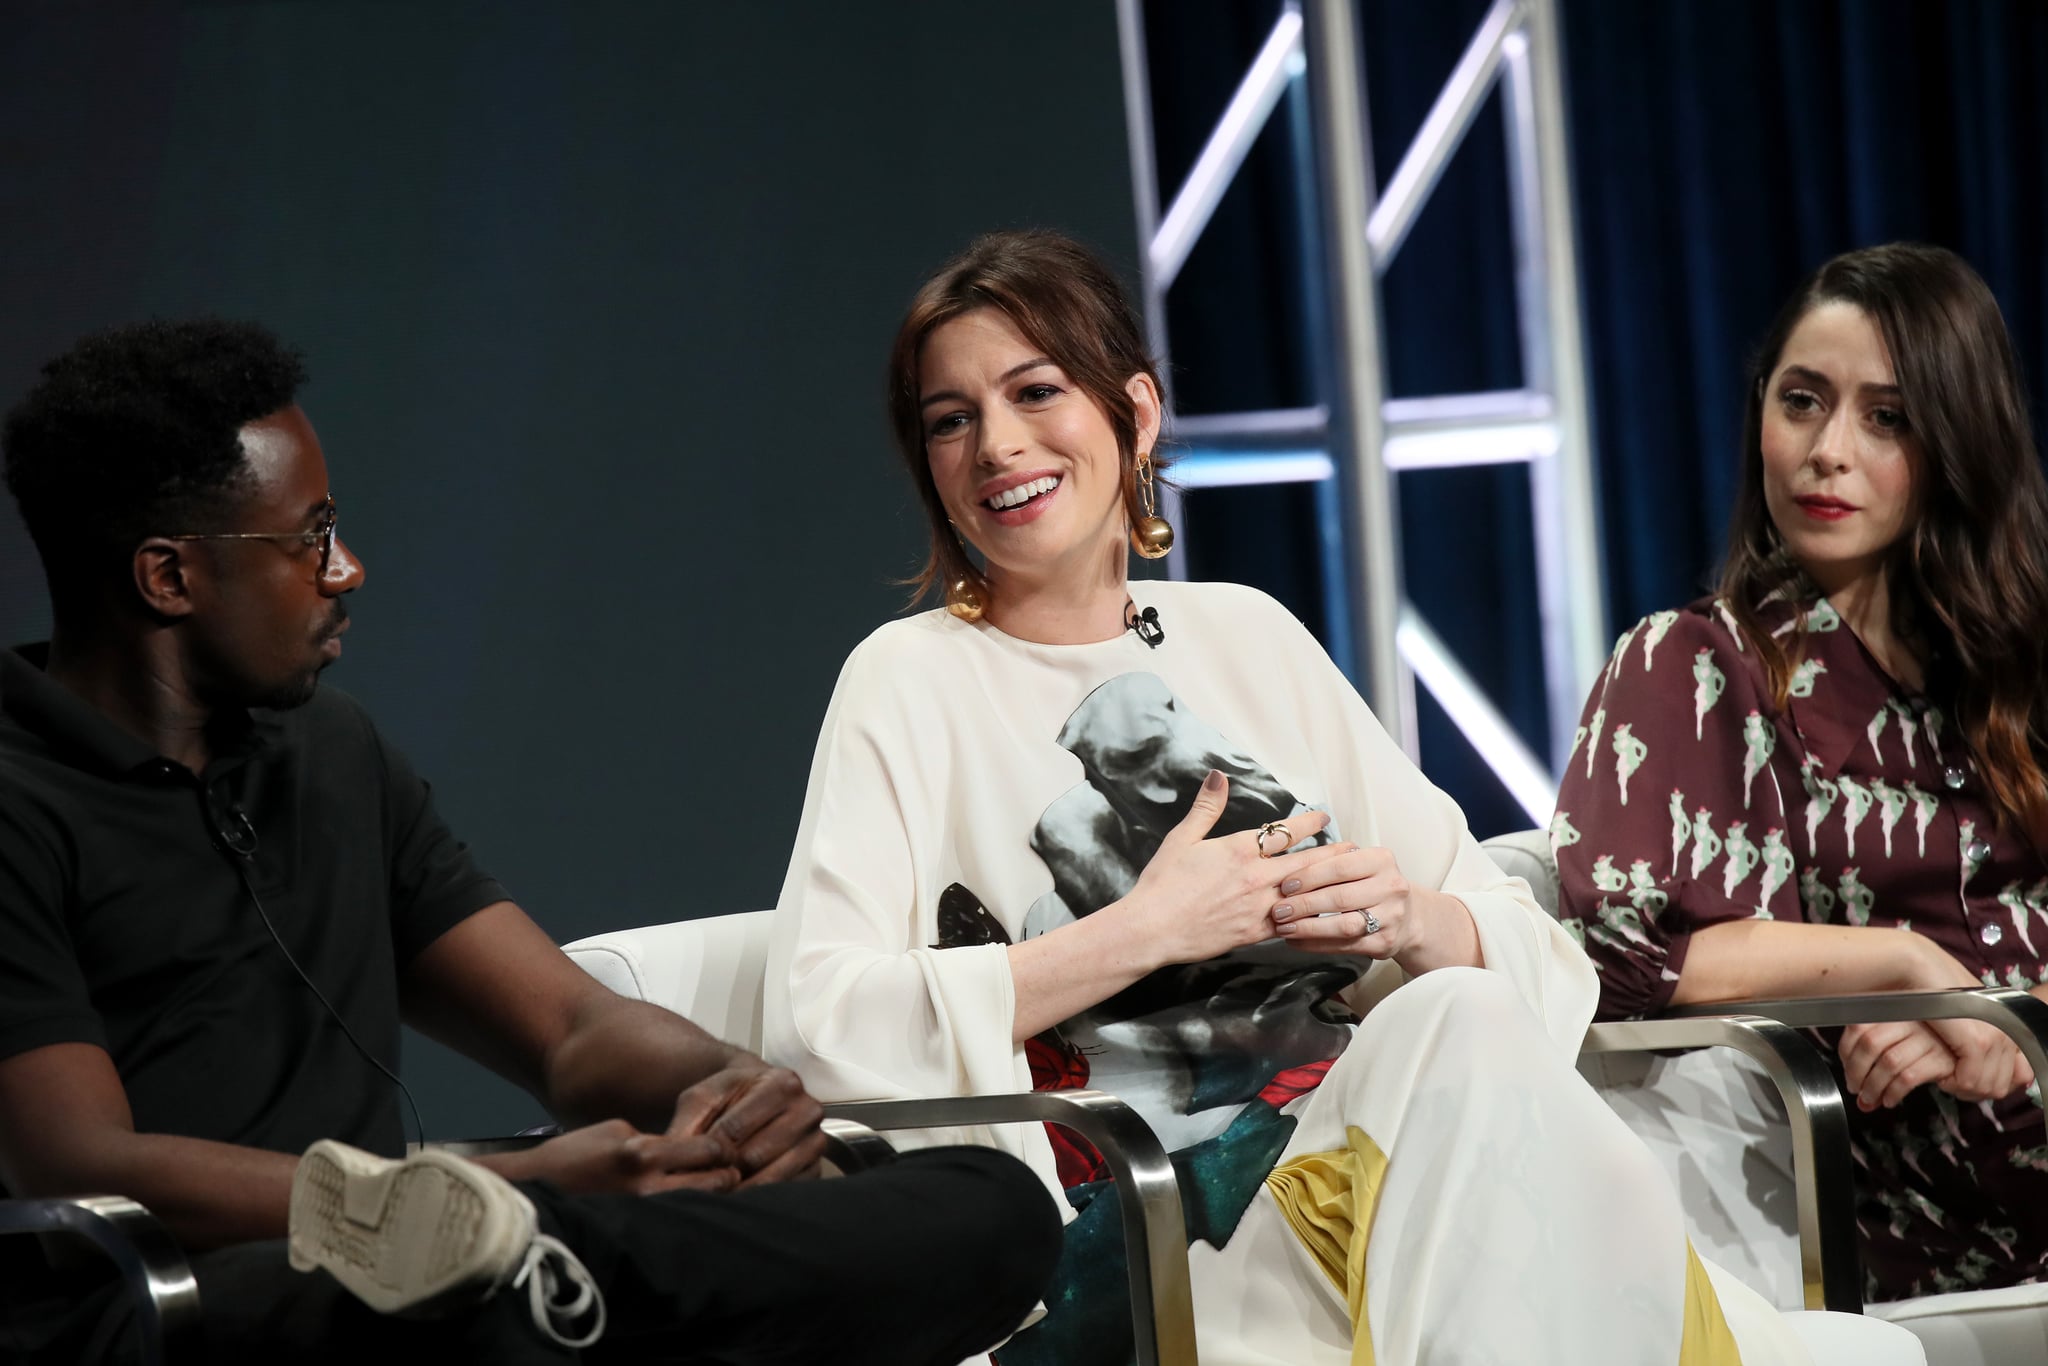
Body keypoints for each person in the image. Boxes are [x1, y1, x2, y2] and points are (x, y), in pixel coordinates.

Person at [760, 229, 1909, 1366]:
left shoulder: (1248, 633)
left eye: (1034, 391)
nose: (997, 444)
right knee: (1477, 1089)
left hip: (1368, 1171)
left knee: (1455, 1017)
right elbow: (822, 1023)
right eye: (950, 419)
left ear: (1136, 414)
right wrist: (1145, 930)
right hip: (1156, 1239)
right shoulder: (903, 680)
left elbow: (1516, 940)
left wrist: (1408, 919)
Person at [0, 318, 1060, 1364]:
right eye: (309, 536)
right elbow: (78, 1162)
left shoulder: (330, 751)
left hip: (467, 1256)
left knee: (986, 1204)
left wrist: (733, 1091)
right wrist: (508, 1193)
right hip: (171, 1301)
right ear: (168, 578)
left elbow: (568, 1027)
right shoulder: (17, 802)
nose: (347, 569)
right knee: (499, 1289)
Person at [1552, 242, 2048, 1301]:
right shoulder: (1694, 666)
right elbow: (1615, 949)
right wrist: (1906, 964)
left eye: (1885, 417)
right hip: (1910, 1211)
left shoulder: (2020, 665)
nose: (1826, 451)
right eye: (1800, 401)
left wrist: (2016, 1026)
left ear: (1958, 437)